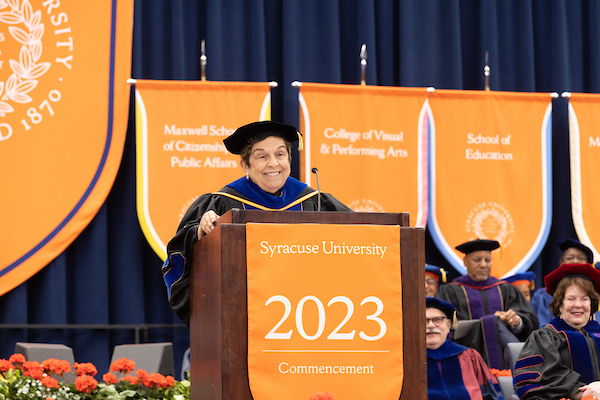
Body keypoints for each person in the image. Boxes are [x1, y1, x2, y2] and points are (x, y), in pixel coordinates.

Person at [161, 121, 352, 326]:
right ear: (245, 165)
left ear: (289, 158)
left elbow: (360, 239)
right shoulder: (223, 203)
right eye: (262, 156)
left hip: (309, 316)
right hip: (243, 319)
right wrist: (201, 232)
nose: (273, 163)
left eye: (280, 154)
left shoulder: (313, 201)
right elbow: (179, 254)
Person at [435, 239, 538, 369]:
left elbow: (530, 320)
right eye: (477, 260)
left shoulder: (505, 289)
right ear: (465, 262)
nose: (483, 265)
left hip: (505, 361)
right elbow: (444, 327)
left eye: (487, 260)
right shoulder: (450, 291)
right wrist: (491, 322)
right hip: (465, 360)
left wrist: (516, 321)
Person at [513, 263, 600, 400]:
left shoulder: (598, 334)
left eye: (584, 299)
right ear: (560, 304)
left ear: (591, 304)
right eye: (571, 299)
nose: (578, 304)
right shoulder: (544, 337)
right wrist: (583, 391)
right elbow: (539, 378)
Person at [426, 297, 504, 400]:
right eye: (424, 320)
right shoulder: (406, 362)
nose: (431, 325)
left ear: (448, 325)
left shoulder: (469, 356)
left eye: (437, 320)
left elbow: (491, 394)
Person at [530, 238, 594, 328]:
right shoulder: (543, 296)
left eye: (581, 258)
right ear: (561, 262)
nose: (575, 261)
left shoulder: (595, 294)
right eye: (569, 257)